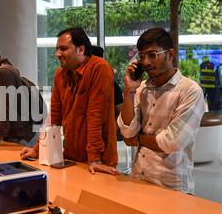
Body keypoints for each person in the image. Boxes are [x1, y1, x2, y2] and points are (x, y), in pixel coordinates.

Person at [20, 27, 119, 175]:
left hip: (99, 159)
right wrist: (37, 149)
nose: (57, 54)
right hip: (72, 156)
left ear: (81, 49)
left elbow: (95, 116)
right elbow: (54, 117)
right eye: (57, 49)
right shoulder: (60, 74)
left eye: (63, 49)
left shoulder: (99, 68)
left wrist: (94, 159)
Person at [118, 27, 205, 194]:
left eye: (152, 55)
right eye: (142, 56)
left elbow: (172, 142)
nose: (146, 62)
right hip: (139, 179)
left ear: (170, 55)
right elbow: (128, 132)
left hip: (172, 185)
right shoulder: (141, 88)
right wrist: (128, 91)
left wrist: (138, 140)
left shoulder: (190, 91)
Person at [92, 46, 124, 140]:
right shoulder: (82, 83)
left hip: (105, 135)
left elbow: (121, 111)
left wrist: (112, 131)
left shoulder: (112, 85)